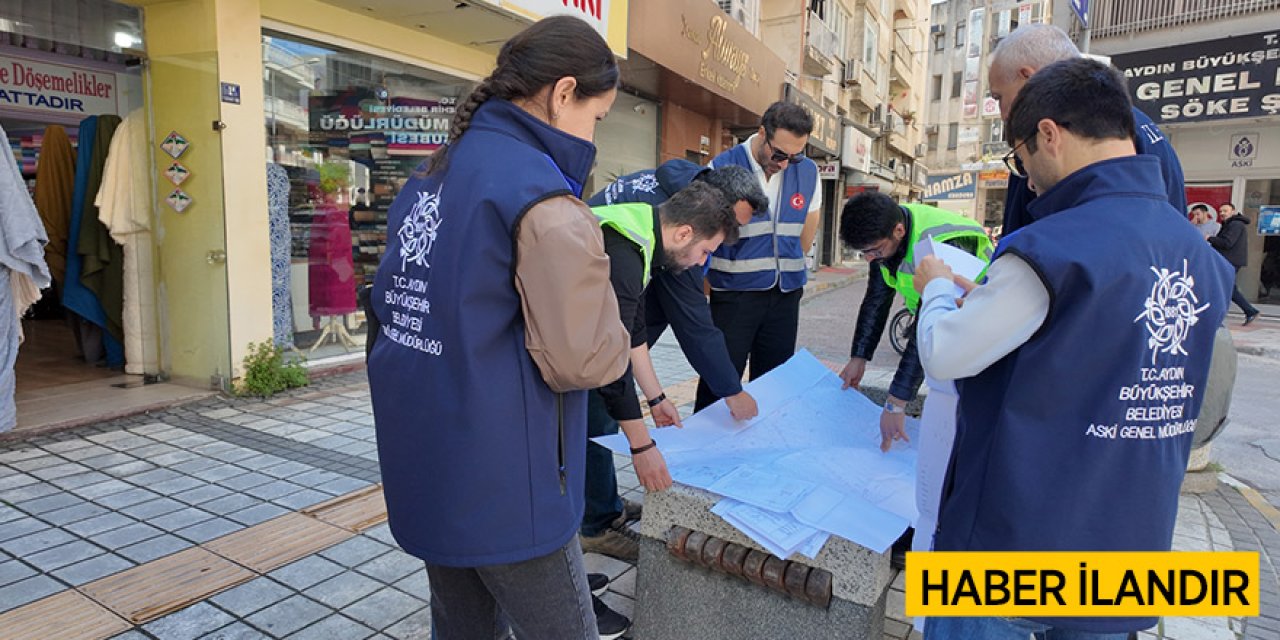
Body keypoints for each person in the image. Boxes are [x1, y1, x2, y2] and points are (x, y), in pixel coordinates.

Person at [914, 57, 1233, 640]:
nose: (1027, 179)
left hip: (1015, 546)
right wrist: (992, 305)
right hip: (1129, 548)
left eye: (1021, 159)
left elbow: (945, 354)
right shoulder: (1201, 255)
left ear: (1049, 135)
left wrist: (934, 286)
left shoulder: (1053, 247)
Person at [366, 16, 632, 640]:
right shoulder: (540, 196)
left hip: (426, 459)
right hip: (509, 478)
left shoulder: (434, 172)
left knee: (460, 628)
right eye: (598, 117)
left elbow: (393, 312)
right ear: (564, 93)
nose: (594, 132)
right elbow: (584, 359)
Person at [835, 192, 992, 582]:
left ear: (899, 230)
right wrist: (859, 356)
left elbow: (927, 338)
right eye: (863, 253)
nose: (871, 258)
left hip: (979, 337)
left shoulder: (943, 247)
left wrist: (895, 403)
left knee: (957, 441)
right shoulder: (886, 243)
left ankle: (945, 537)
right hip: (946, 335)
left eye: (873, 250)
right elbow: (876, 298)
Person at [581, 181, 739, 562]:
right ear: (684, 232)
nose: (703, 263)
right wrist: (642, 446)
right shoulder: (623, 251)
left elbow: (632, 328)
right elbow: (611, 359)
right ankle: (579, 569)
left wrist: (657, 398)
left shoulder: (641, 236)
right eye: (705, 251)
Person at [588, 160, 766, 421]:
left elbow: (634, 330)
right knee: (599, 412)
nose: (730, 235)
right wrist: (732, 391)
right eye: (730, 225)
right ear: (713, 205)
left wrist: (656, 398)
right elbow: (692, 322)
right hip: (579, 340)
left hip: (595, 328)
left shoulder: (666, 212)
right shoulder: (645, 245)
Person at [989, 24, 1185, 235]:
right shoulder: (1134, 126)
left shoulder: (1051, 137)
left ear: (1028, 78)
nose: (1003, 116)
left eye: (999, 97)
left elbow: (1042, 245)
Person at [698, 101, 822, 410]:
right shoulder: (722, 167)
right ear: (762, 133)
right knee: (720, 383)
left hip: (784, 296)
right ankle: (706, 454)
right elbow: (705, 238)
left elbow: (807, 233)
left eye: (795, 155)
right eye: (779, 154)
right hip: (733, 296)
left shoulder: (807, 172)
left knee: (775, 385)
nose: (784, 163)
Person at [1209, 202, 1261, 325]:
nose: (1222, 213)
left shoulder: (1235, 224)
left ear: (1233, 211)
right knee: (1228, 287)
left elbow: (1228, 243)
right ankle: (1249, 311)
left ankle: (1220, 316)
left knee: (1224, 287)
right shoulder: (1230, 224)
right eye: (1220, 211)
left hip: (1230, 260)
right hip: (1229, 260)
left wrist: (1210, 238)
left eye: (1225, 211)